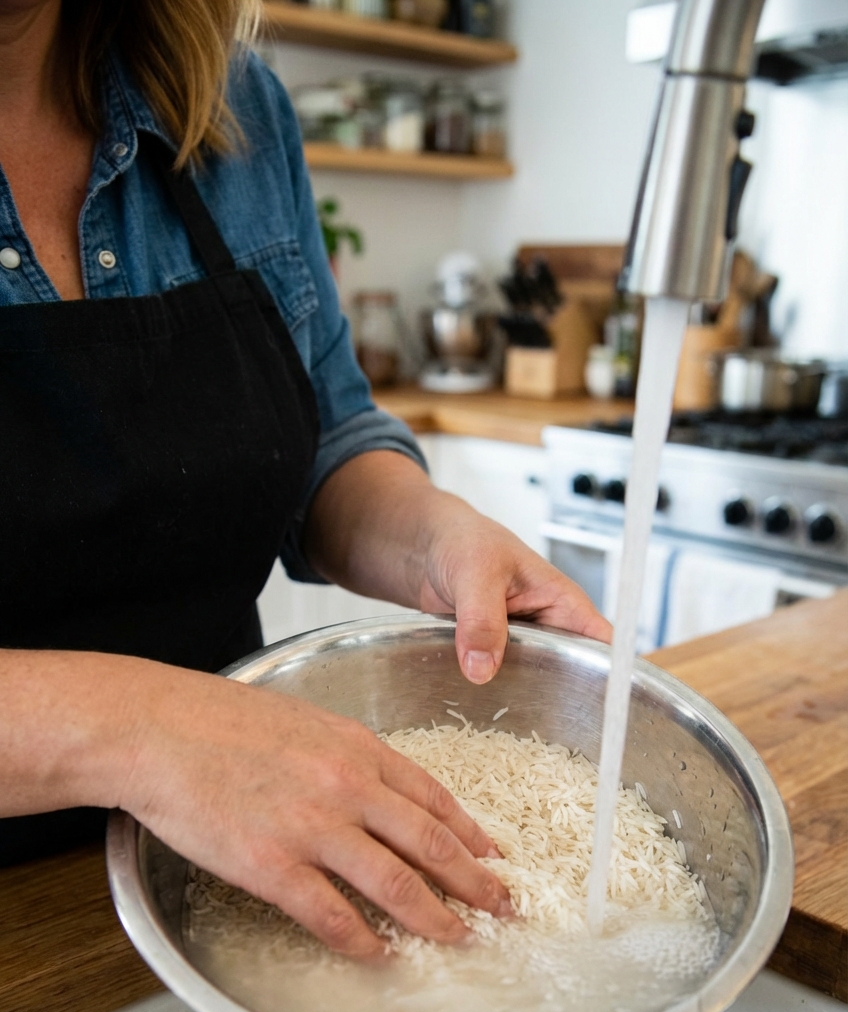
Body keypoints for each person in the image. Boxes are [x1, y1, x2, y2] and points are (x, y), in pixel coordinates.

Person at [0, 0, 610, 959]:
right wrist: (147, 732)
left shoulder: (229, 104)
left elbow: (324, 438)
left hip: (247, 875)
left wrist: (435, 538)